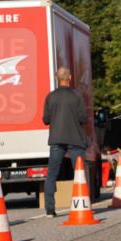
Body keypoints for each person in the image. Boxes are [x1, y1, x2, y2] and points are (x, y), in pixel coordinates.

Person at [42, 67, 88, 218]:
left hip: (56, 139)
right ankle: (83, 204)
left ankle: (50, 210)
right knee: (80, 173)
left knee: (52, 174)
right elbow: (83, 118)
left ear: (57, 78)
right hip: (75, 139)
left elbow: (46, 120)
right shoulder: (77, 96)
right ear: (70, 77)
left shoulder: (50, 97)